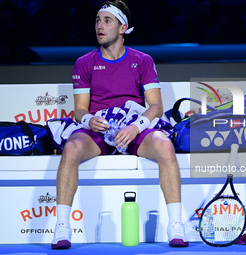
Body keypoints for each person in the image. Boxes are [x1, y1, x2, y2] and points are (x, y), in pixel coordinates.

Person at [51, 0, 188, 249]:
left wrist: (136, 127)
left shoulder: (142, 60)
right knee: (70, 148)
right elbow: (80, 109)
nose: (99, 26)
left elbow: (156, 105)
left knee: (165, 145)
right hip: (99, 130)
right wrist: (89, 120)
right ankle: (62, 227)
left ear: (122, 27)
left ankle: (176, 224)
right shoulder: (84, 63)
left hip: (132, 128)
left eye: (106, 21)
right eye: (97, 21)